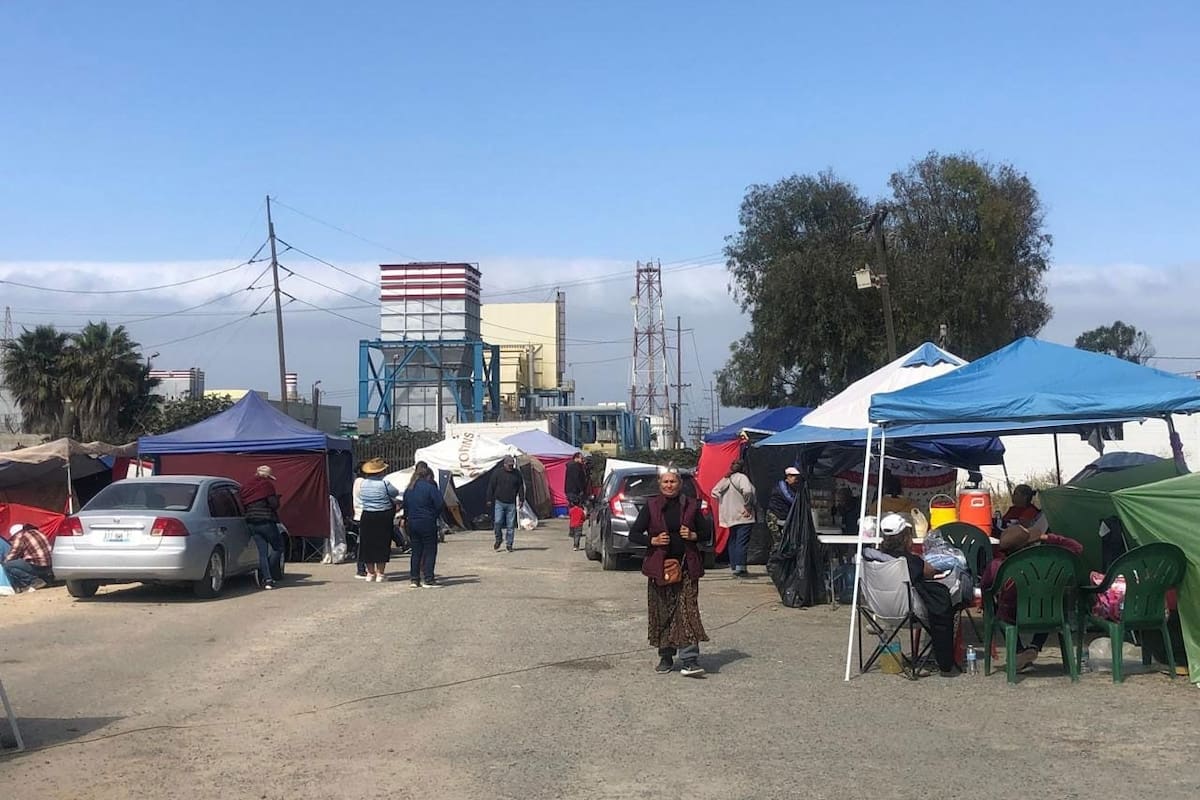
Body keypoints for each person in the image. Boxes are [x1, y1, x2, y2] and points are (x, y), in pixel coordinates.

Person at [628, 470, 712, 677]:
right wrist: (652, 540)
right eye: (665, 481)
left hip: (686, 567)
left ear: (679, 483)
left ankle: (689, 660)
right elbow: (634, 534)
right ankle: (666, 656)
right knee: (662, 611)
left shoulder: (691, 505)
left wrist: (693, 535)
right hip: (660, 568)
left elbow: (707, 533)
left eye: (672, 481)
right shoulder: (651, 506)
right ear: (660, 484)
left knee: (687, 611)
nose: (669, 485)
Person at [981, 520, 1083, 670]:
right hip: (1049, 614)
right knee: (1048, 602)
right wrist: (1046, 537)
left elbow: (985, 589)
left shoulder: (996, 566)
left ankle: (1019, 651)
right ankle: (1034, 646)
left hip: (1012, 616)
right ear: (1029, 544)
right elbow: (1077, 547)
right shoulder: (1048, 561)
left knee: (998, 610)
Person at [876, 513, 960, 677]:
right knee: (947, 598)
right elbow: (930, 571)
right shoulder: (909, 561)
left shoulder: (874, 558)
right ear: (906, 538)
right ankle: (945, 660)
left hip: (882, 610)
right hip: (910, 612)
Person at [239, 465, 284, 590]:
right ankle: (266, 572)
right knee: (278, 547)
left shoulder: (247, 486)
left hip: (251, 522)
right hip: (266, 521)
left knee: (262, 553)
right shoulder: (267, 485)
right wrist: (277, 500)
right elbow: (273, 504)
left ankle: (267, 579)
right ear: (267, 477)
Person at [357, 457, 400, 582]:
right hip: (383, 515)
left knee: (367, 544)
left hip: (367, 515)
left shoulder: (363, 484)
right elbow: (395, 492)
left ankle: (370, 573)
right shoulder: (384, 483)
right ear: (380, 472)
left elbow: (360, 496)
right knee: (382, 543)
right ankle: (380, 573)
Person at [711, 460, 756, 578]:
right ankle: (740, 567)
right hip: (743, 515)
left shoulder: (726, 479)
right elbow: (748, 491)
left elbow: (714, 492)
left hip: (729, 515)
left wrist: (724, 501)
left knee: (733, 540)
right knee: (742, 541)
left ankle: (734, 565)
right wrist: (747, 506)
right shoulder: (742, 478)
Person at [404, 462, 445, 588]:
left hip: (412, 522)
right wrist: (434, 515)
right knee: (430, 550)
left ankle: (414, 579)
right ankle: (428, 579)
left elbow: (405, 506)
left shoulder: (409, 488)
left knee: (416, 551)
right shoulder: (430, 488)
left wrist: (407, 518)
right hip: (427, 521)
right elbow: (440, 504)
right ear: (428, 476)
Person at [487, 455, 525, 553]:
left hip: (511, 503)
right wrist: (489, 499)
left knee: (510, 525)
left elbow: (521, 486)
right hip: (499, 502)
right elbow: (491, 486)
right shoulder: (497, 473)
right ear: (504, 464)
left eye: (512, 465)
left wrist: (522, 499)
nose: (511, 467)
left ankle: (509, 544)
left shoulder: (517, 474)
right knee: (497, 522)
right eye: (509, 465)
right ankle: (498, 538)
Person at [2, 523, 53, 592]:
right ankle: (46, 579)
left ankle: (34, 581)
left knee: (8, 565)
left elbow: (13, 554)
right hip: (49, 565)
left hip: (37, 566)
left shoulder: (20, 536)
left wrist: (4, 562)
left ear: (16, 534)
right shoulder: (36, 532)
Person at [767, 466, 801, 542]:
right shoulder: (782, 487)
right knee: (778, 541)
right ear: (788, 477)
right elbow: (790, 499)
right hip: (775, 517)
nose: (796, 479)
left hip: (784, 517)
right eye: (794, 477)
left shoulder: (791, 487)